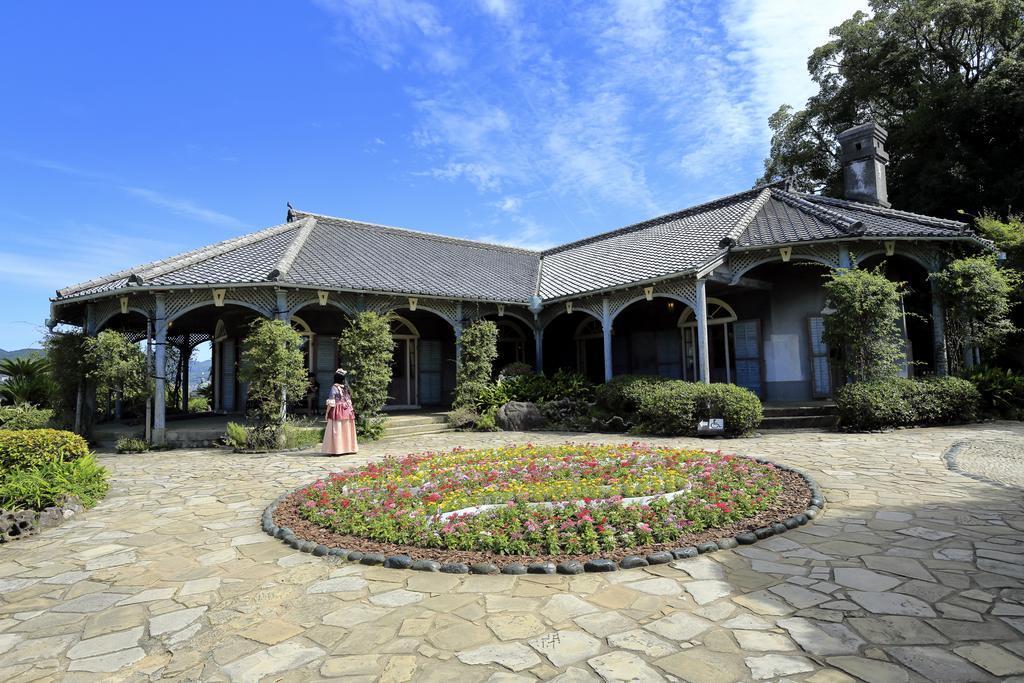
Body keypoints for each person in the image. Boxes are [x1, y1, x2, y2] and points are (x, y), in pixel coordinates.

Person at [322, 368, 357, 455]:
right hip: (348, 409)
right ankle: (349, 448)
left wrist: (326, 413)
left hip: (337, 409)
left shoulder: (334, 387)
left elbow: (331, 402)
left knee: (337, 428)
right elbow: (349, 401)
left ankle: (336, 449)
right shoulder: (346, 388)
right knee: (347, 429)